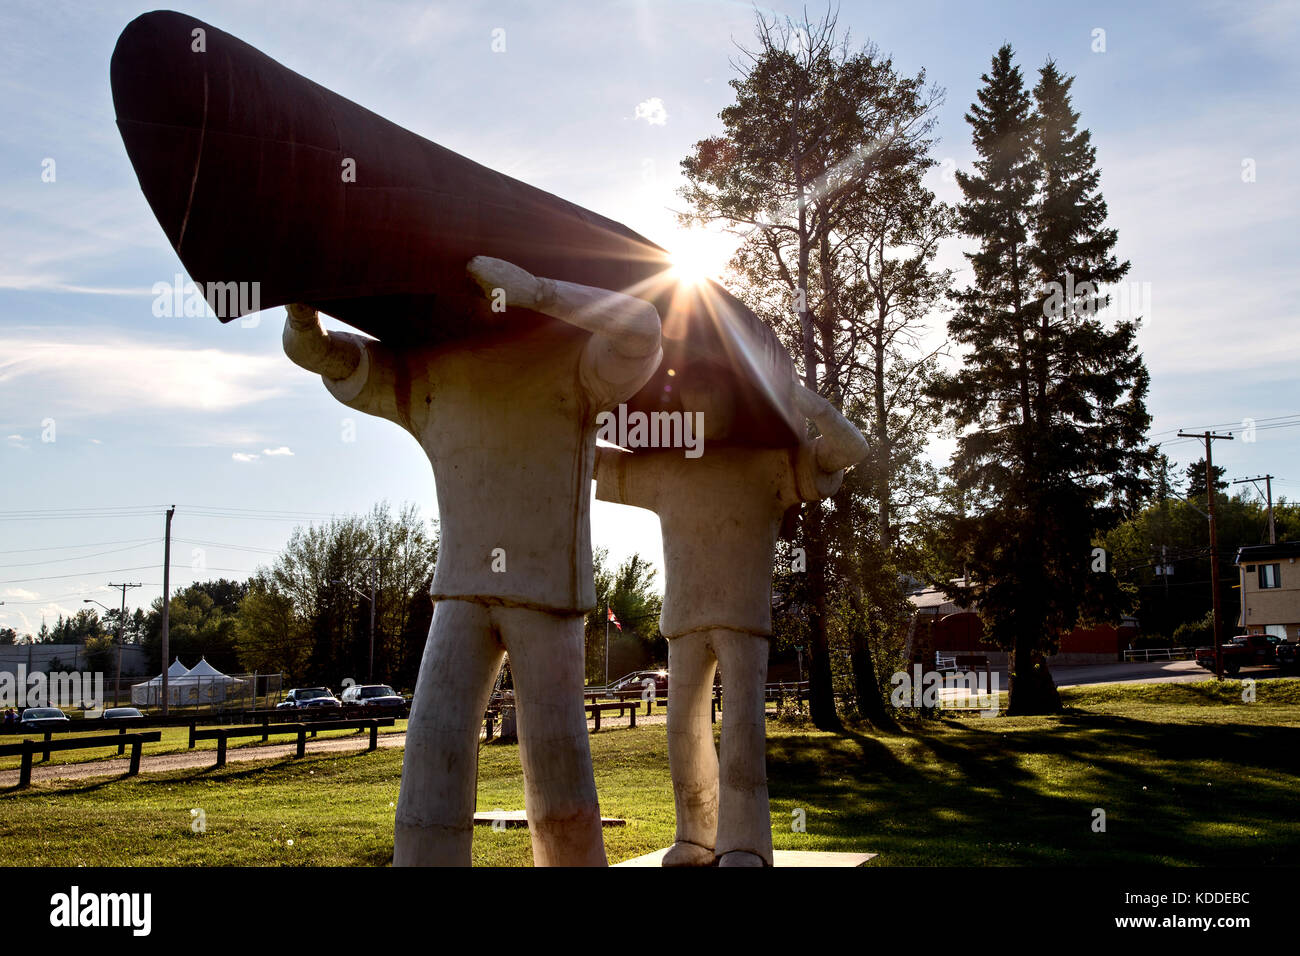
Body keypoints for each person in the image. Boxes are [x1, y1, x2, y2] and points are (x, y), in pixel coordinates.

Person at [283, 256, 662, 866]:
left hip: (549, 596)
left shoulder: (577, 366)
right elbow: (331, 358)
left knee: (560, 773)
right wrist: (303, 313)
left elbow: (643, 324)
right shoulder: (431, 370)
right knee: (431, 758)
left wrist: (539, 290)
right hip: (460, 593)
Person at [594, 381, 867, 865]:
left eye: (712, 390)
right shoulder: (665, 468)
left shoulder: (772, 465)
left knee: (743, 731)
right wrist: (583, 401)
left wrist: (805, 400)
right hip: (683, 621)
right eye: (691, 395)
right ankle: (696, 836)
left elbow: (850, 449)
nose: (699, 402)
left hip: (743, 620)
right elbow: (588, 463)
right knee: (683, 733)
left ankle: (744, 842)